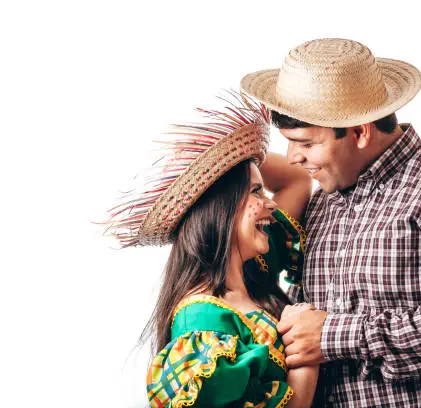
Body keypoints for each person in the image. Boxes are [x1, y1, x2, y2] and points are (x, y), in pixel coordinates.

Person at [240, 38, 421, 406]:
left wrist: (333, 336)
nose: (293, 158)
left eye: (306, 143)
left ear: (360, 132)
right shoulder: (324, 201)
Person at [104, 93, 318, 407]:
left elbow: (297, 180)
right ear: (222, 209)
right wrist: (305, 360)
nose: (270, 204)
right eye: (256, 191)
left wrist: (232, 155)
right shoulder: (202, 317)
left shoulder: (253, 270)